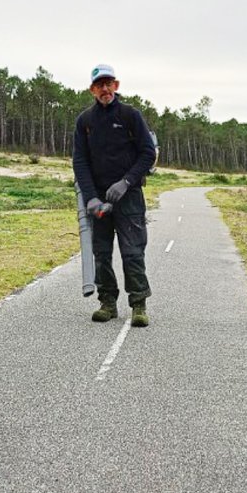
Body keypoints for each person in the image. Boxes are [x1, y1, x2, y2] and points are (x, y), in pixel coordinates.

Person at [72, 64, 158, 327]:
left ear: (116, 86)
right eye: (100, 85)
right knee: (101, 253)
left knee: (133, 252)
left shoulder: (131, 115)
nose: (105, 89)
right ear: (92, 90)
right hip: (98, 199)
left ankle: (139, 304)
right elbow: (80, 162)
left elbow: (148, 153)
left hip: (128, 197)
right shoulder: (85, 121)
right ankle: (107, 303)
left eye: (109, 83)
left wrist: (126, 182)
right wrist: (91, 198)